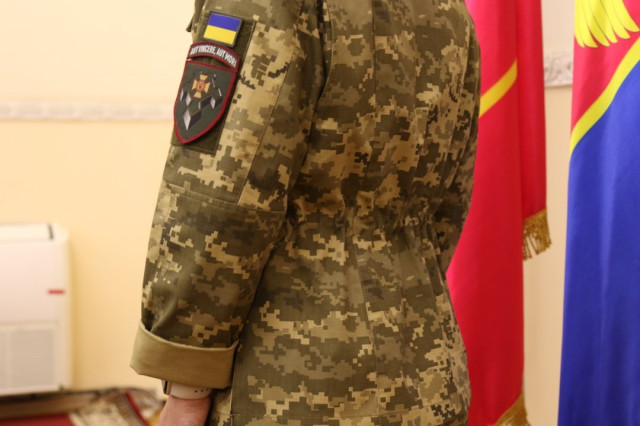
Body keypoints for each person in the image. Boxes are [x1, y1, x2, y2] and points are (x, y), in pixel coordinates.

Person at [131, 0, 480, 424]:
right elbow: (448, 203)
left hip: (291, 386)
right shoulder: (451, 9)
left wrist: (187, 385)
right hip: (428, 372)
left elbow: (223, 196)